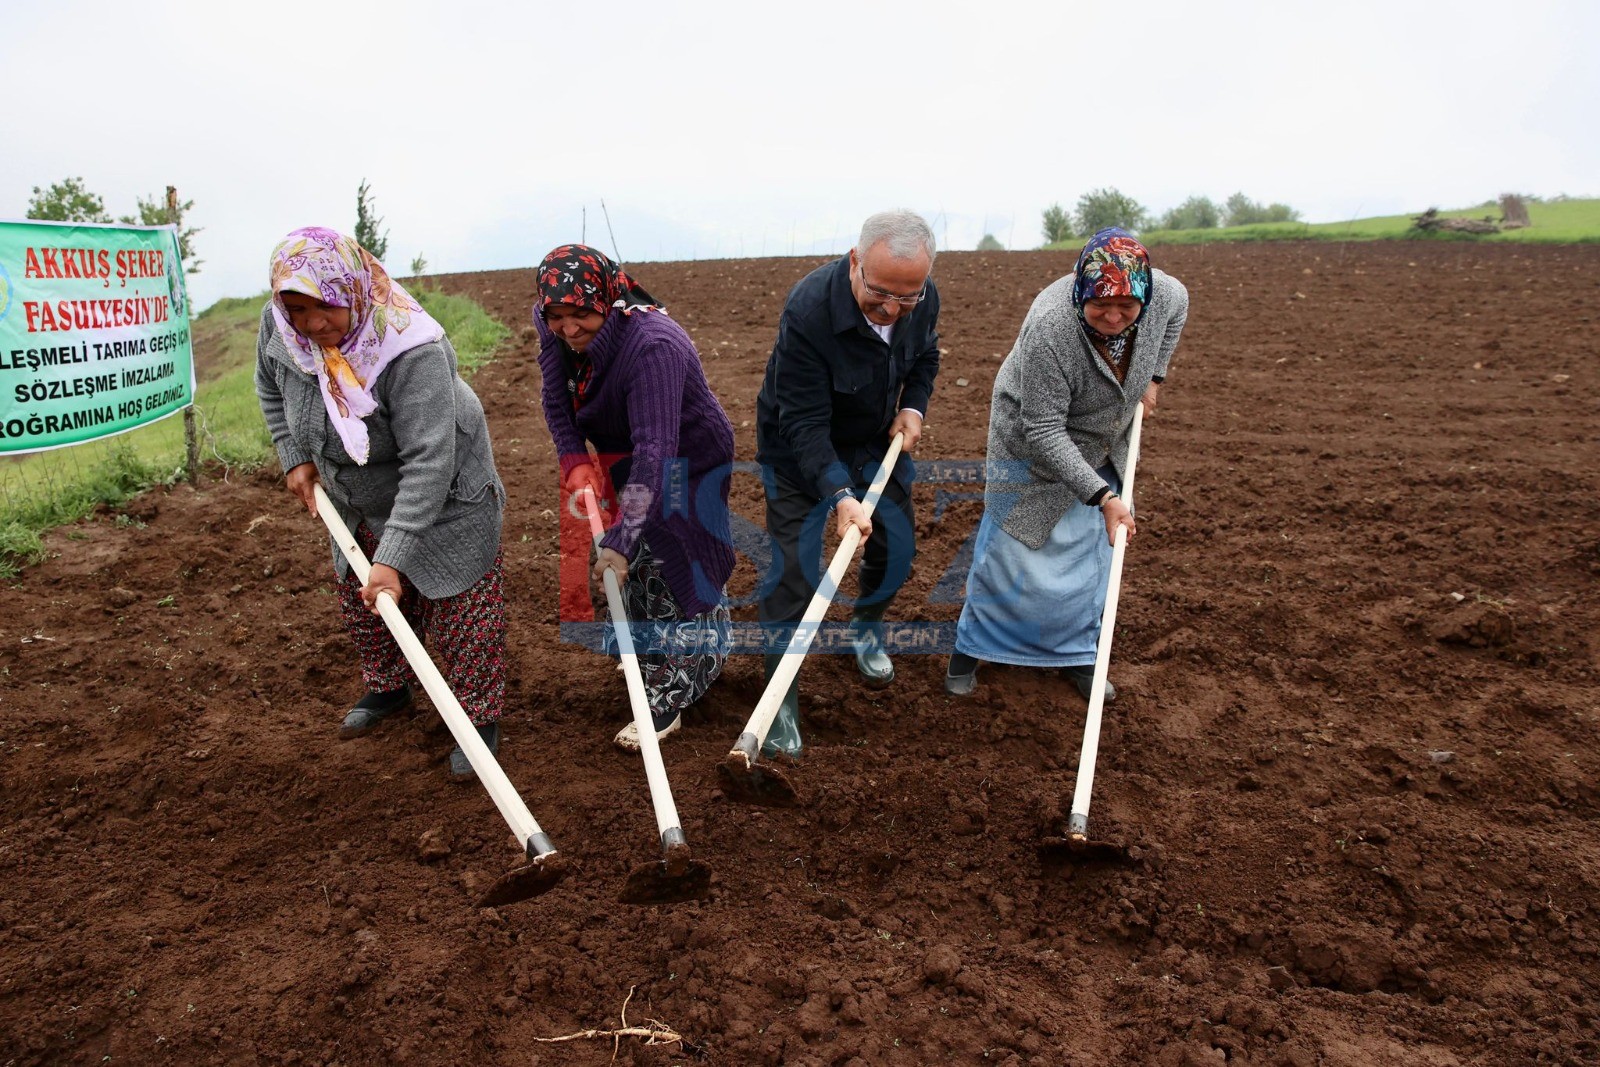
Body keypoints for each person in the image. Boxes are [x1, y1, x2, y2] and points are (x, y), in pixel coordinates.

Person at [255, 227, 508, 782]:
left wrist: (394, 558)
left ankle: (477, 720)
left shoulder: (410, 349)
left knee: (459, 604)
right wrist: (293, 453)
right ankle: (388, 688)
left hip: (443, 492)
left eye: (326, 307)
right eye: (297, 309)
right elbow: (270, 388)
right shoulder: (280, 330)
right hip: (355, 492)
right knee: (363, 597)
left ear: (354, 289)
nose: (312, 325)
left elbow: (429, 462)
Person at [945, 227, 1188, 699]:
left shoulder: (1162, 295)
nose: (1114, 317)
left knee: (1088, 557)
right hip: (1032, 445)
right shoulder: (1051, 330)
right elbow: (1043, 431)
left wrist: (1154, 377)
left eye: (1127, 308)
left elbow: (1178, 306)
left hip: (1106, 438)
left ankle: (1078, 654)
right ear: (1081, 292)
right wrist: (1103, 496)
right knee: (1009, 556)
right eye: (1101, 306)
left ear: (1144, 297)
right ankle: (970, 648)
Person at [533, 244, 736, 752]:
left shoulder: (652, 345)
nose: (568, 328)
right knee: (635, 555)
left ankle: (670, 692)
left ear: (605, 298)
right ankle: (646, 648)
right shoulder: (552, 325)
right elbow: (557, 401)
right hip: (630, 449)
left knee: (673, 558)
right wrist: (573, 458)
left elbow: (658, 450)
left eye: (581, 314)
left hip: (687, 455)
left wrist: (622, 540)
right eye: (557, 316)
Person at [753, 210, 941, 757]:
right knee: (794, 569)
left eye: (906, 299)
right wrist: (838, 495)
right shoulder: (810, 310)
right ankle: (779, 695)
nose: (891, 309)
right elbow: (804, 423)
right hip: (799, 448)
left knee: (893, 548)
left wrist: (913, 405)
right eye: (880, 294)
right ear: (856, 262)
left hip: (874, 441)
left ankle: (865, 626)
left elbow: (925, 355)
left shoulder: (919, 297)